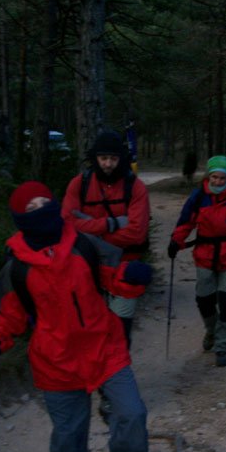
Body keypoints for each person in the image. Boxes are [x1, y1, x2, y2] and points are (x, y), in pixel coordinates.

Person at [0, 181, 154, 452]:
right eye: (33, 207)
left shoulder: (83, 243)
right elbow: (4, 316)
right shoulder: (16, 268)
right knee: (69, 432)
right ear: (20, 219)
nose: (43, 210)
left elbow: (113, 274)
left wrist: (134, 275)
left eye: (46, 202)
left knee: (131, 414)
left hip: (104, 346)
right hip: (56, 361)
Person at [62, 130, 151, 420]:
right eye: (103, 158)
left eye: (113, 158)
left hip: (125, 271)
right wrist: (114, 223)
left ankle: (113, 392)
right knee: (92, 330)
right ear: (94, 158)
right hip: (87, 271)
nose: (108, 164)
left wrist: (90, 227)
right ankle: (101, 386)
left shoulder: (135, 188)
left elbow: (137, 231)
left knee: (120, 331)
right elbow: (66, 222)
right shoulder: (80, 183)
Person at [167, 155, 226, 367]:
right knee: (204, 299)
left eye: (222, 178)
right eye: (214, 177)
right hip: (205, 255)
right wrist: (176, 241)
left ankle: (222, 345)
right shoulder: (199, 196)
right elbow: (186, 221)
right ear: (208, 176)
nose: (218, 182)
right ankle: (212, 330)